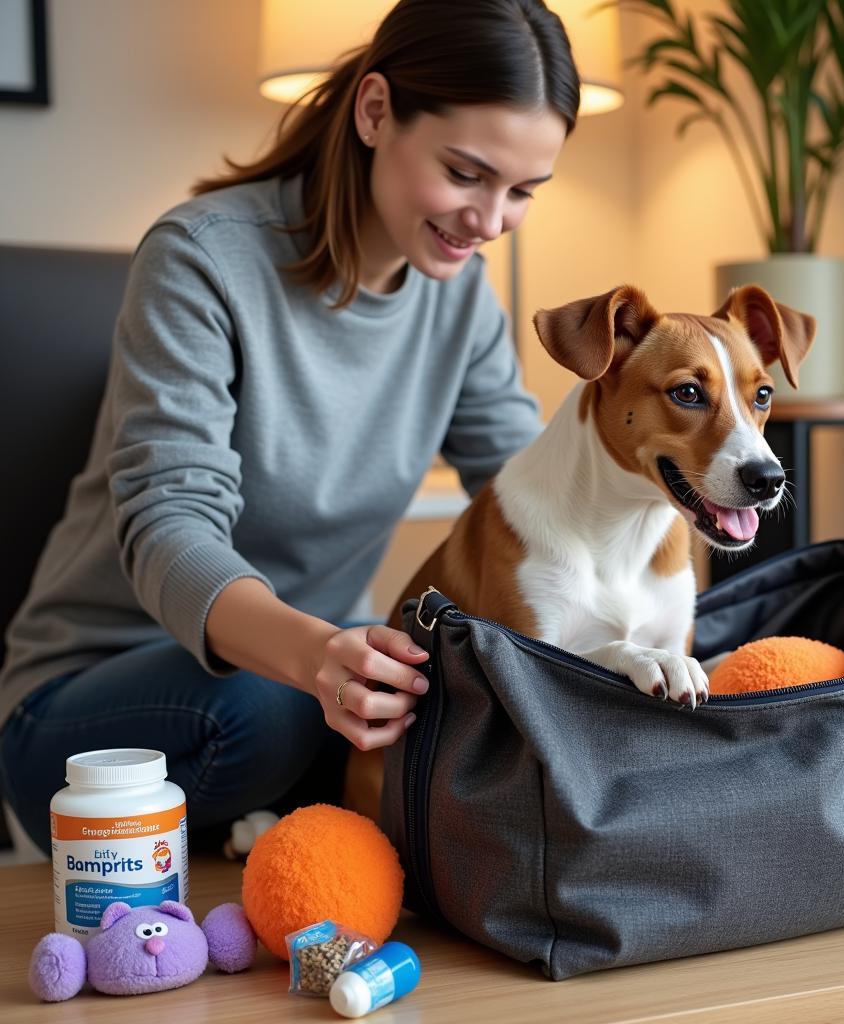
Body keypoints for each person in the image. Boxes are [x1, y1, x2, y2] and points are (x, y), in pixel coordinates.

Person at [0, 0, 579, 854]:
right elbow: (168, 527)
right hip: (92, 715)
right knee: (273, 710)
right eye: (465, 174)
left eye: (523, 192)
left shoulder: (461, 302)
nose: (489, 221)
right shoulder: (201, 258)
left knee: (446, 711)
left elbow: (530, 499)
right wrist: (321, 660)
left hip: (313, 691)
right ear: (376, 111)